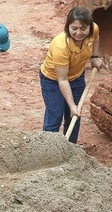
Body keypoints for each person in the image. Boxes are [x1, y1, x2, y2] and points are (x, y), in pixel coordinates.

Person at [39, 8, 103, 143]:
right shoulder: (60, 46)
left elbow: (96, 37)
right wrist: (72, 105)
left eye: (83, 28)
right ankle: (48, 150)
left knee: (74, 117)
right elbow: (62, 80)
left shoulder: (94, 29)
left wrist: (94, 57)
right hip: (53, 80)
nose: (78, 33)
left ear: (89, 27)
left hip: (76, 77)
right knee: (55, 116)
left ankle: (71, 150)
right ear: (67, 26)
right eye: (74, 28)